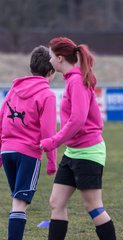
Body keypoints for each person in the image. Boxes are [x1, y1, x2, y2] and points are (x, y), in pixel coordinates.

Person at [40, 37, 116, 240]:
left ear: (59, 57)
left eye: (50, 56)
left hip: (88, 152)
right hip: (73, 152)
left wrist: (53, 141)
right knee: (56, 202)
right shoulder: (71, 80)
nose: (49, 61)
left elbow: (77, 120)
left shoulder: (76, 81)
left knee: (93, 207)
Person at [0, 45, 57, 240]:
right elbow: (48, 132)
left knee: (17, 200)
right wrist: (51, 161)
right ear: (51, 71)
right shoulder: (47, 94)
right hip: (28, 154)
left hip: (6, 152)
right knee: (19, 203)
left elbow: (1, 120)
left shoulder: (14, 89)